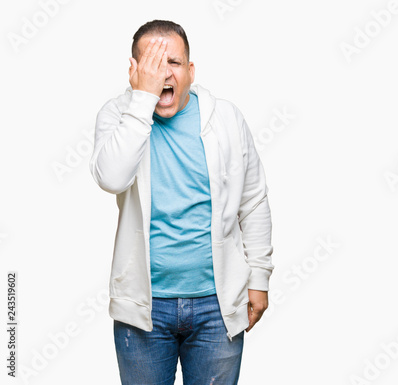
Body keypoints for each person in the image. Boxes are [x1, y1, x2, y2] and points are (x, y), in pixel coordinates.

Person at [89, 19, 274, 385]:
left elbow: (252, 201)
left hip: (217, 305)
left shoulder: (226, 119)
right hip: (144, 307)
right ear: (134, 70)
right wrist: (142, 99)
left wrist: (259, 279)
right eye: (151, 63)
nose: (162, 72)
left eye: (172, 62)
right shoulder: (117, 116)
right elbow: (111, 177)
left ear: (190, 71)